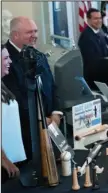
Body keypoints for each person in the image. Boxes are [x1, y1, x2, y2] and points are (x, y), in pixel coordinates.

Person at [2, 16, 61, 161]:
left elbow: (52, 87)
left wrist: (55, 113)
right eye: (29, 32)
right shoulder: (5, 60)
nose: (34, 35)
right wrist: (41, 119)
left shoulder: (39, 55)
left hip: (51, 129)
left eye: (36, 31)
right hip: (27, 138)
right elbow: (16, 99)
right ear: (15, 34)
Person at [1, 44, 27, 181]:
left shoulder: (2, 84)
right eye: (5, 58)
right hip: (5, 167)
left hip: (13, 160)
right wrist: (4, 159)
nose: (10, 61)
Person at [78, 8, 108, 89]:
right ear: (88, 20)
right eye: (95, 18)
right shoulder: (86, 37)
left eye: (100, 18)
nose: (99, 21)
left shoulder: (100, 32)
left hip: (103, 74)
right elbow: (91, 61)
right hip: (94, 78)